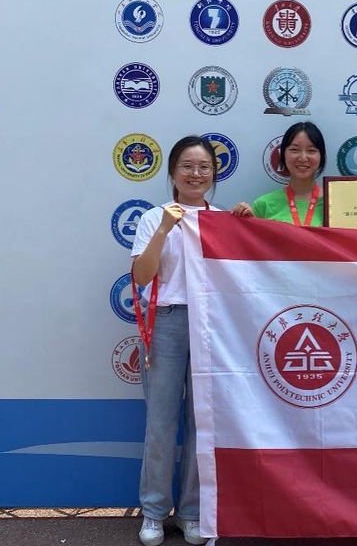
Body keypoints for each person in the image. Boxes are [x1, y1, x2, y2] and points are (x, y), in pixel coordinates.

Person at [131, 136, 219, 546]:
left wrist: (244, 221)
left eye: (204, 167)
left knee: (203, 422)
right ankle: (153, 512)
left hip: (211, 326)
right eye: (187, 165)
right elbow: (141, 276)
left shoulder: (222, 220)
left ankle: (191, 512)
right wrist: (166, 228)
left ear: (213, 173)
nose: (195, 174)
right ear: (172, 172)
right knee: (161, 422)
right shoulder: (154, 218)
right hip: (166, 322)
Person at [232, 121, 326, 226]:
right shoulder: (263, 206)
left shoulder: (334, 205)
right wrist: (246, 221)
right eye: (295, 150)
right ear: (283, 154)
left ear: (321, 156)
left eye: (311, 150)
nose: (303, 158)